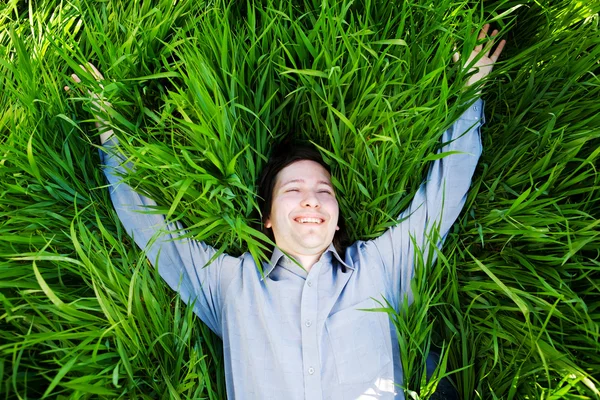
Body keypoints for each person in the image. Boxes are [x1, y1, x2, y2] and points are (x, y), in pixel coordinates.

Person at [70, 24, 505, 400]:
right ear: (268, 218)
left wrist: (471, 91)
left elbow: (441, 199)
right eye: (292, 189)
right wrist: (111, 136)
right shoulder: (230, 285)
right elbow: (152, 228)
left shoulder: (380, 267)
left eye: (323, 190)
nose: (311, 198)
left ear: (337, 214)